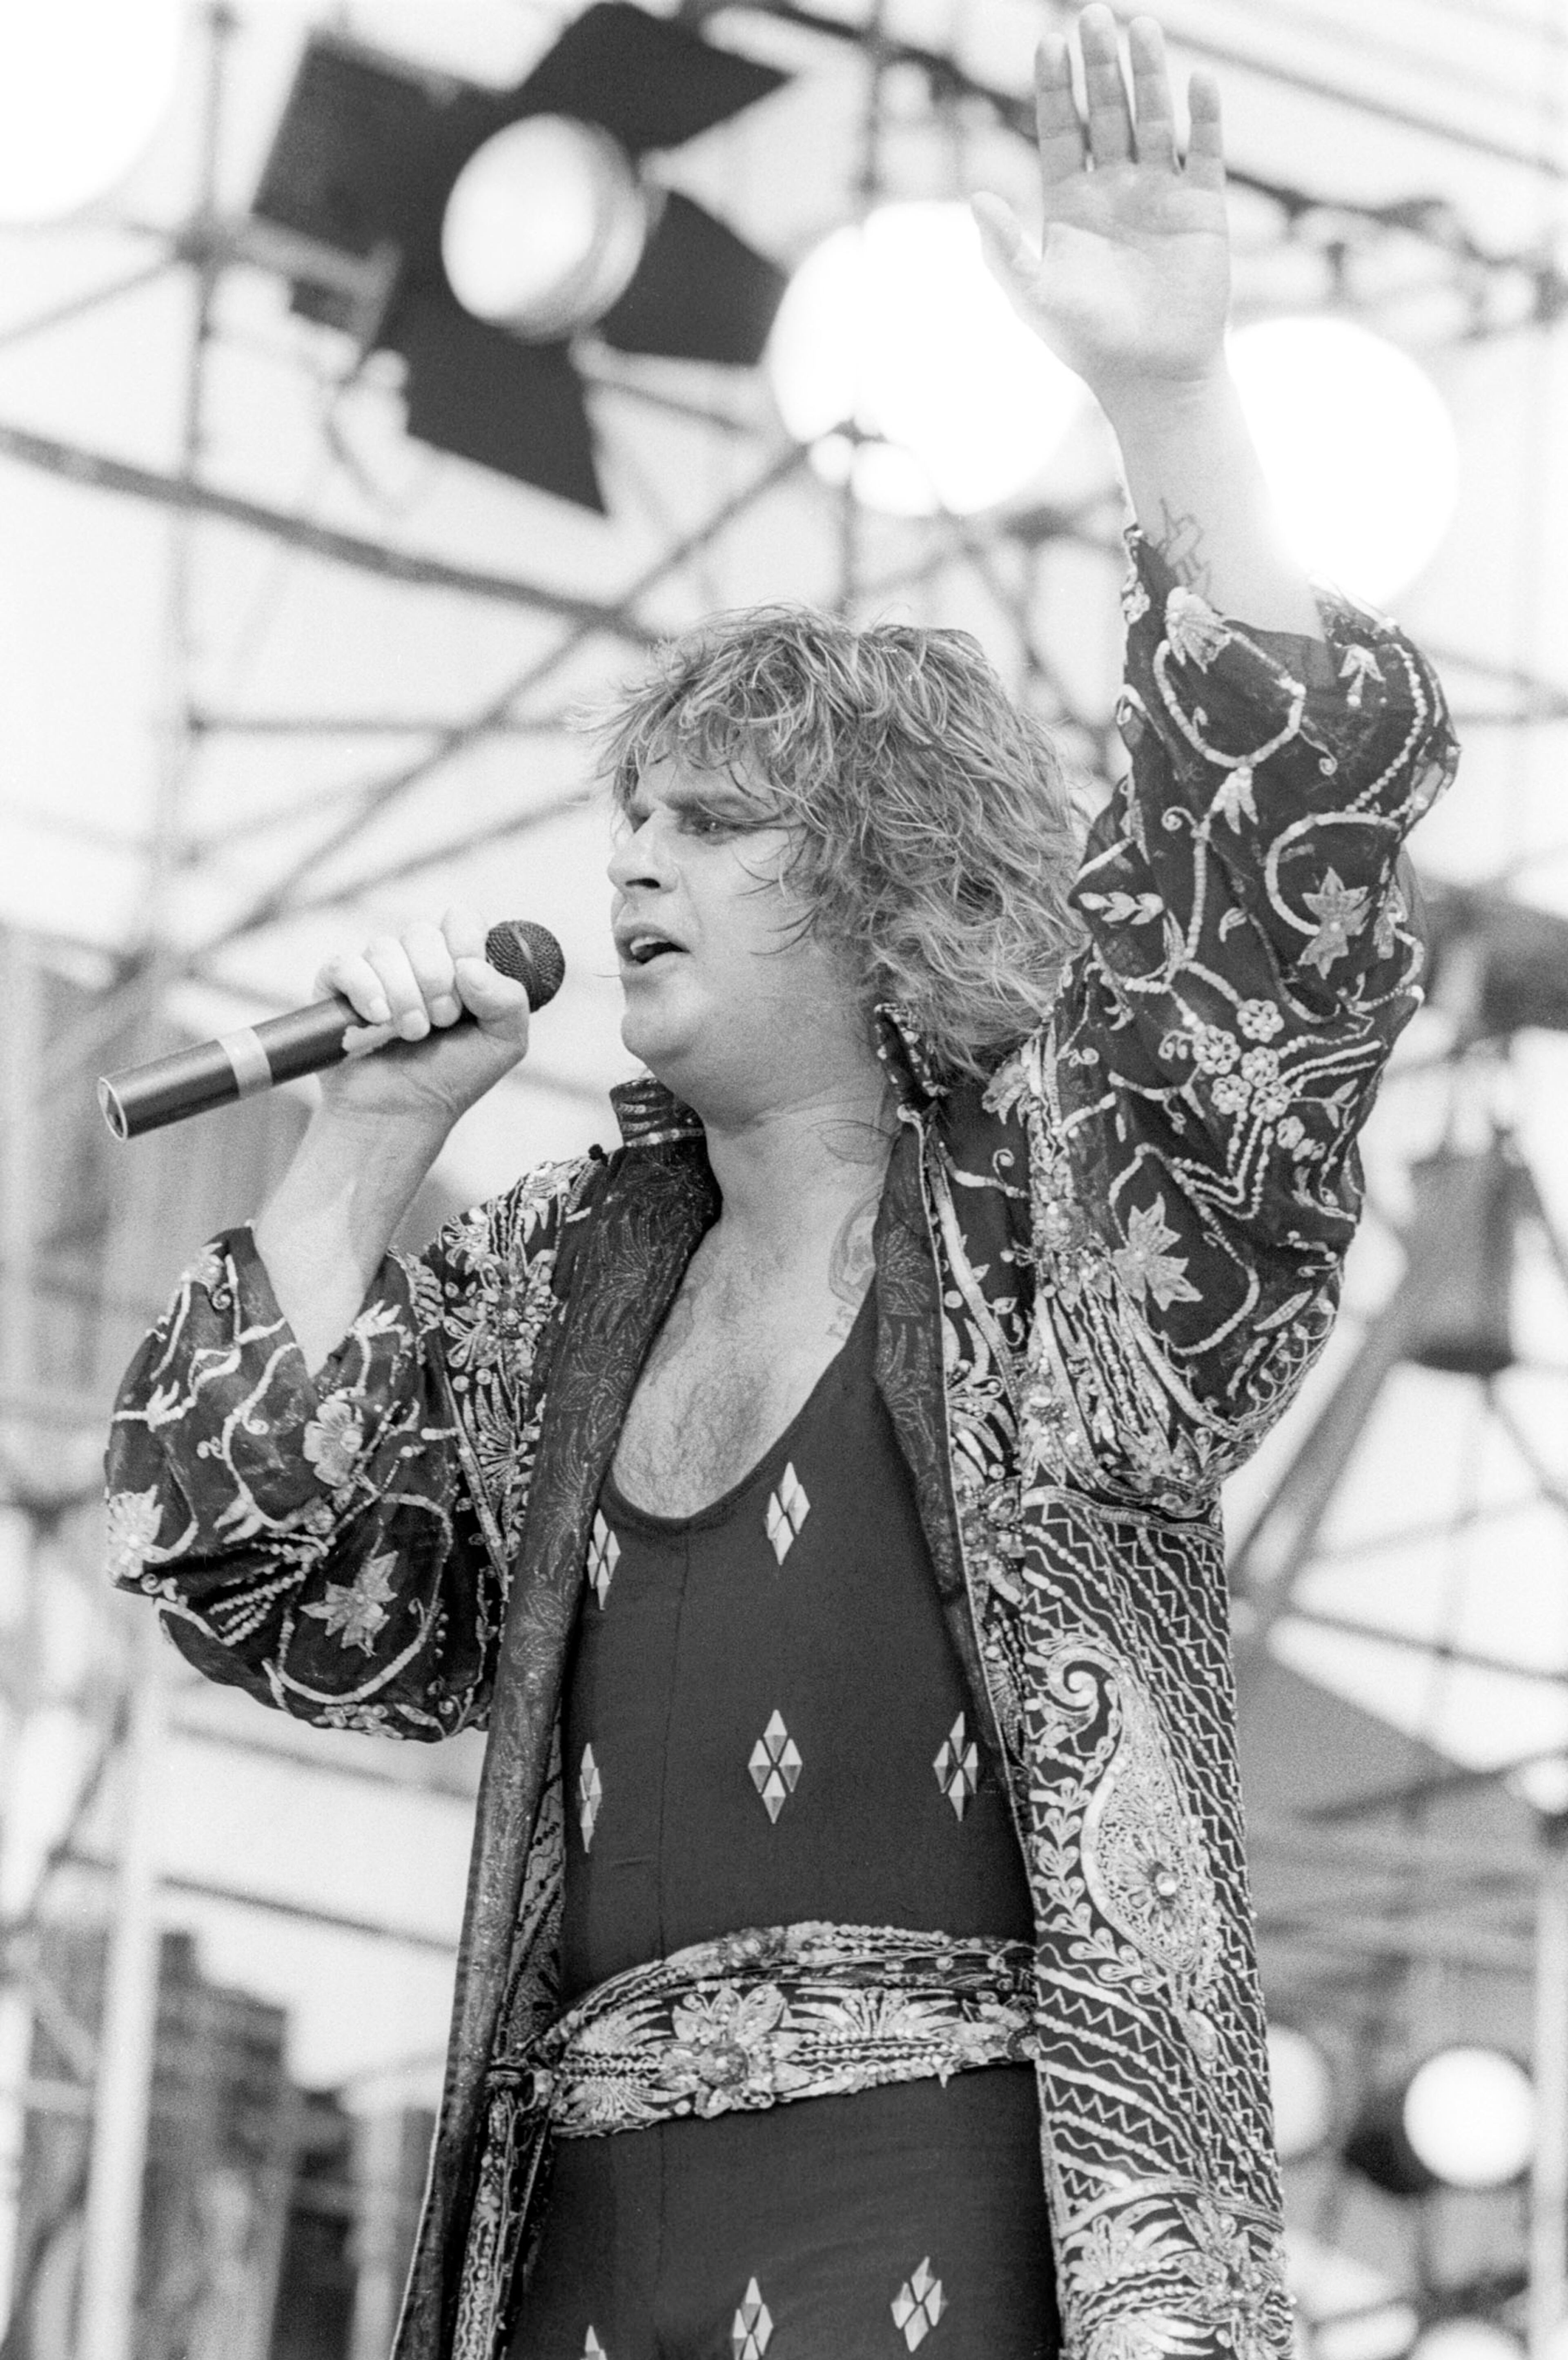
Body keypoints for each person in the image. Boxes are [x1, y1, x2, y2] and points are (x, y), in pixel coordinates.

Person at [105, 13, 1457, 2360]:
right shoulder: (551, 1286)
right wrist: (367, 1139)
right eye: (632, 817)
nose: (638, 857)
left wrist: (1172, 400)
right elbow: (277, 1583)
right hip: (592, 2255)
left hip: (973, 2231)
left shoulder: (1065, 1236)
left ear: (892, 883)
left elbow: (1264, 922)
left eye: (717, 819)